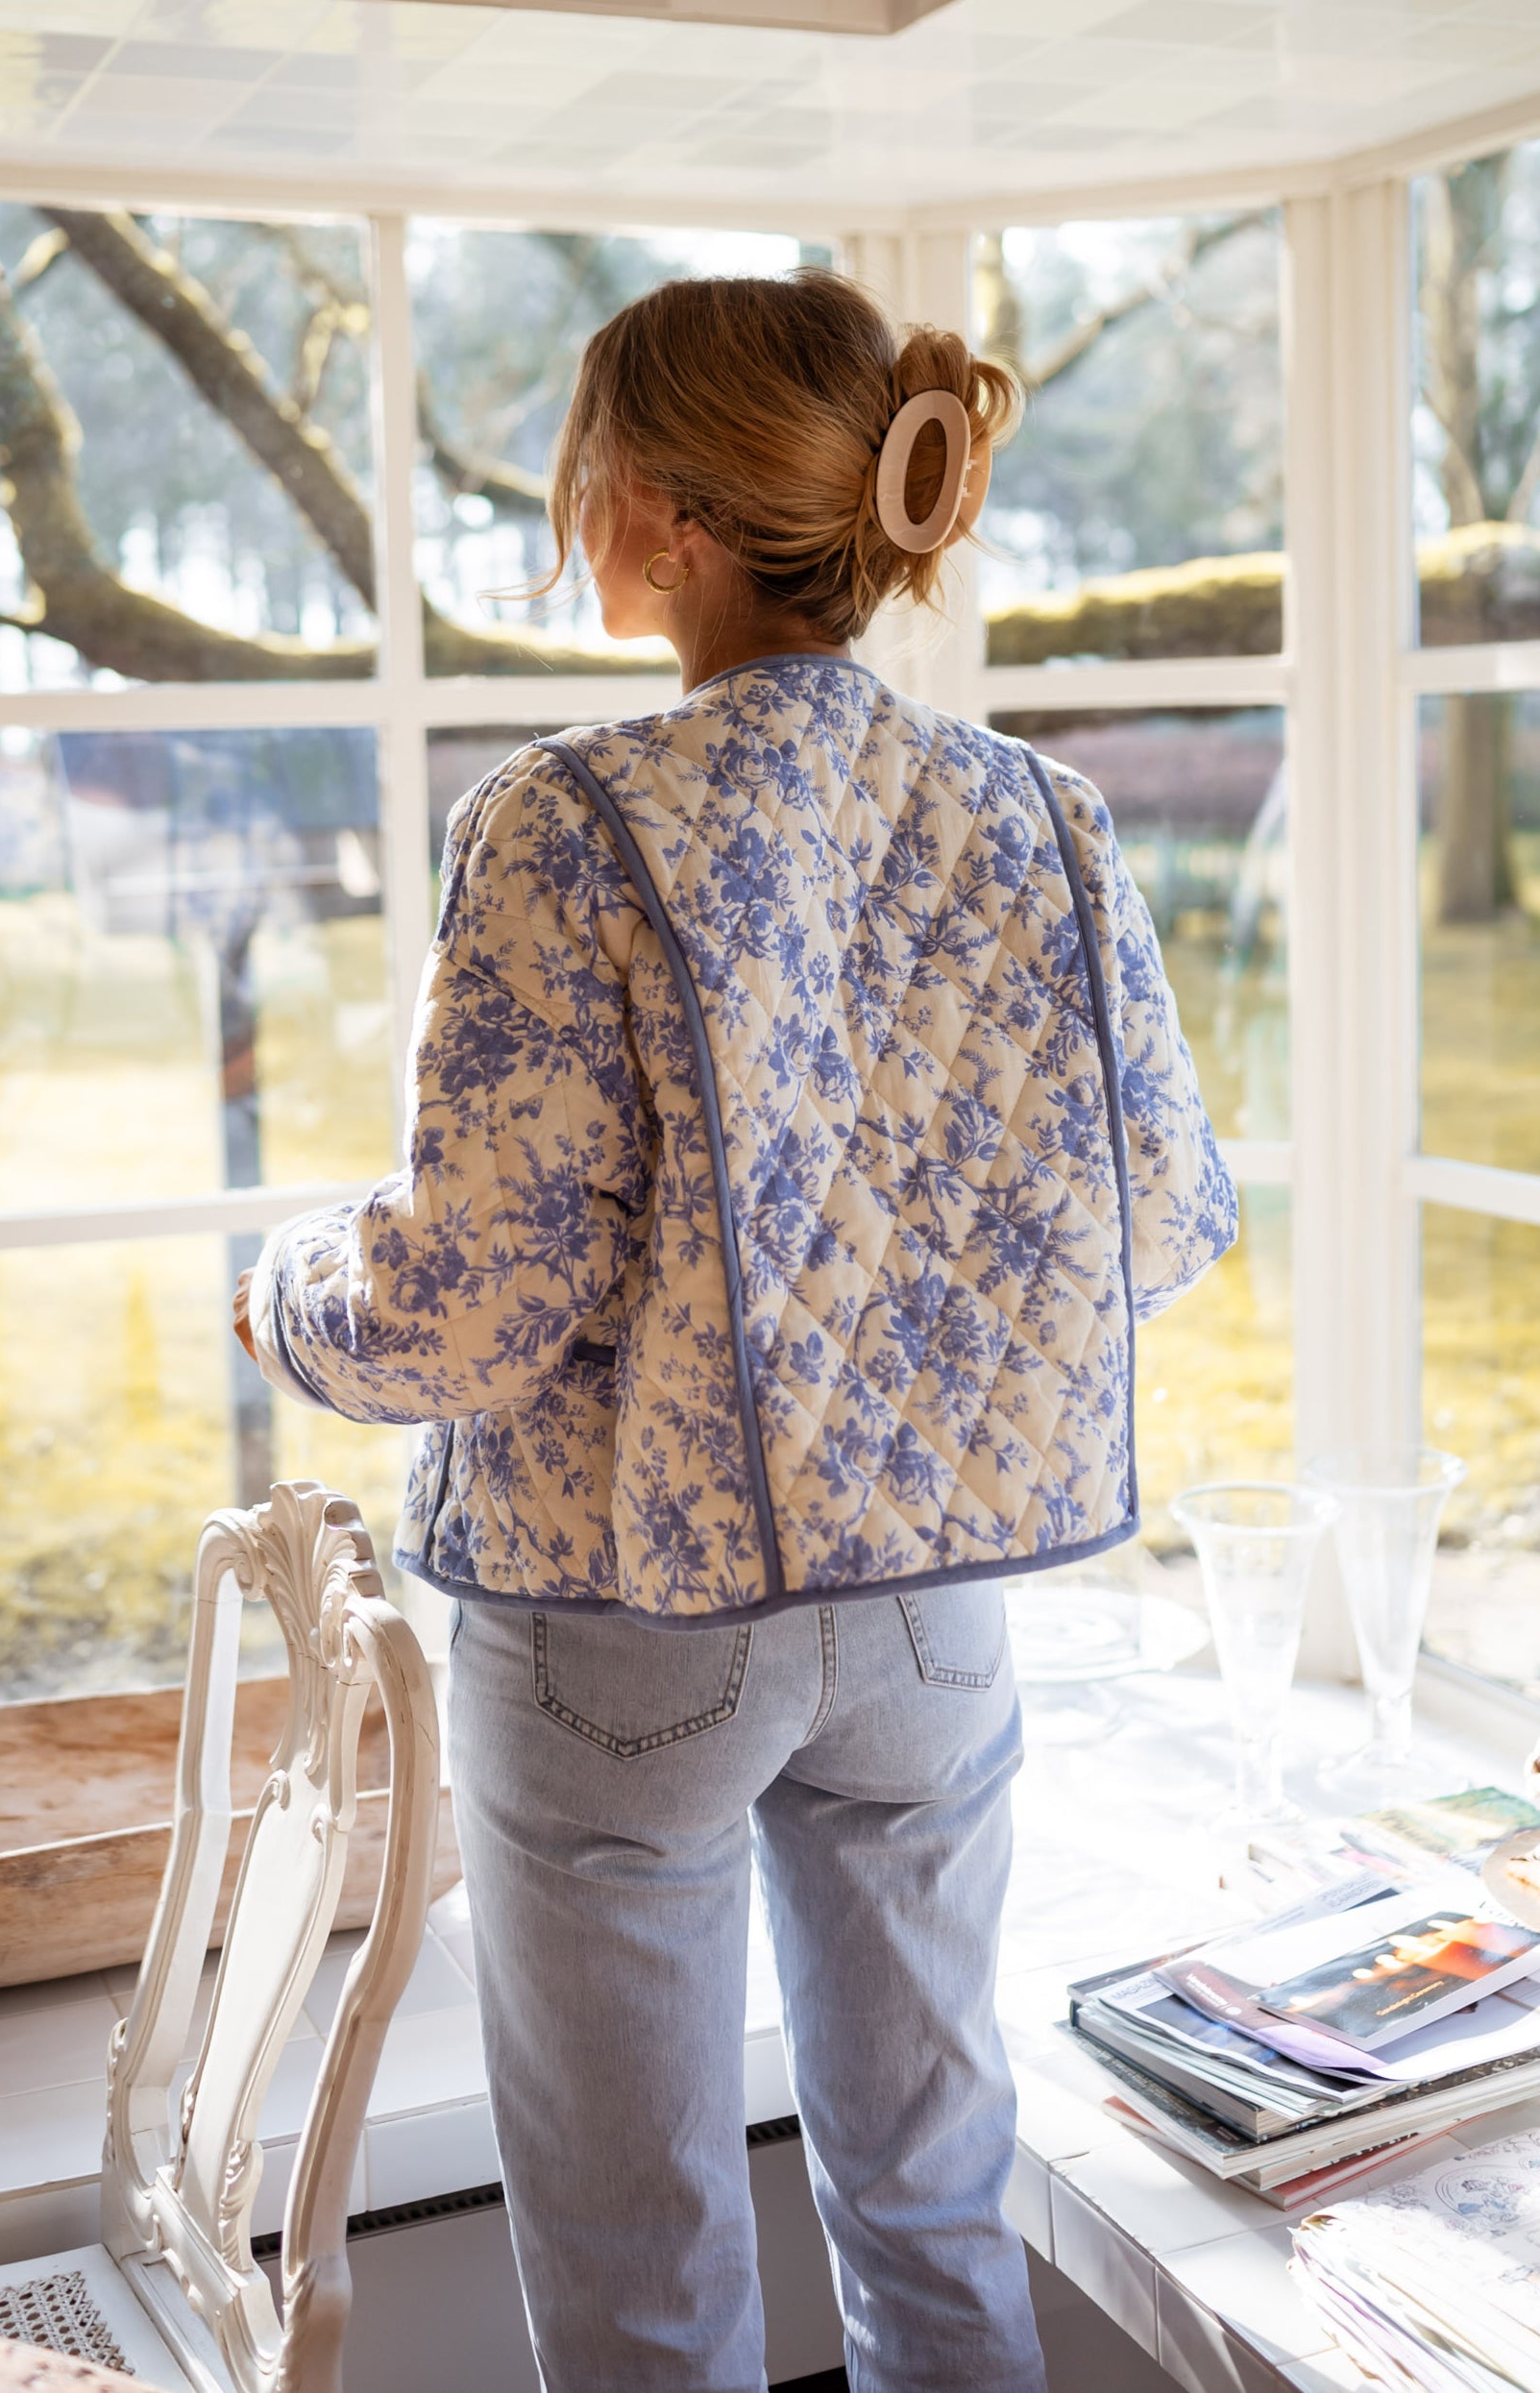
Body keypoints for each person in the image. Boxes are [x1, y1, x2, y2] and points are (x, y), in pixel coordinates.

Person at [236, 269, 1235, 2393]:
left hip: (624, 1630)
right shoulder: (1038, 818)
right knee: (933, 2199)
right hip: (933, 1619)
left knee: (642, 2271)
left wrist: (287, 1283)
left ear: (672, 513)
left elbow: (461, 1313)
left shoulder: (566, 819)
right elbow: (1166, 1222)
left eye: (582, 456)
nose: (560, 491)